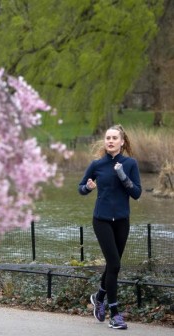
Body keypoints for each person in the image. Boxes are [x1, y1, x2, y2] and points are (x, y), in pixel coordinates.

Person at [78, 124, 142, 330]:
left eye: (115, 138)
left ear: (122, 142)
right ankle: (114, 314)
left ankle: (99, 296)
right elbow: (80, 188)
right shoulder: (97, 165)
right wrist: (87, 187)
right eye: (108, 138)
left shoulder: (130, 164)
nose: (111, 141)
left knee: (112, 265)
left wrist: (123, 176)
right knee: (114, 264)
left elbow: (137, 193)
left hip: (122, 221)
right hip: (102, 220)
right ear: (105, 142)